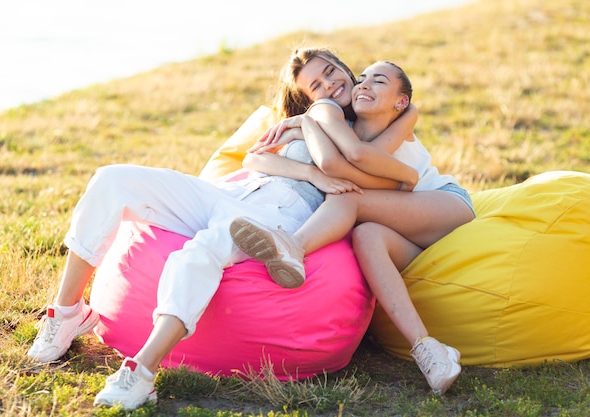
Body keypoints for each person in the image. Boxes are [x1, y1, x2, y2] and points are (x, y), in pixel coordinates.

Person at [26, 48, 418, 410]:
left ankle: (141, 372)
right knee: (112, 180)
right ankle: (67, 312)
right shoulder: (313, 117)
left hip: (282, 213)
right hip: (235, 190)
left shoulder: (370, 126)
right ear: (308, 97)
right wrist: (307, 162)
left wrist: (317, 142)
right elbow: (257, 159)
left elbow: (368, 164)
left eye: (332, 73)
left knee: (201, 252)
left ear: (351, 72)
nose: (330, 85)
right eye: (316, 85)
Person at [229, 61, 476, 395]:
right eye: (362, 79)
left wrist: (307, 123)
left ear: (399, 101)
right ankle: (429, 349)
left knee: (350, 200)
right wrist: (307, 123)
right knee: (365, 234)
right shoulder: (337, 125)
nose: (364, 85)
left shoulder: (398, 120)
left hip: (443, 205)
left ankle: (293, 247)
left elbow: (356, 158)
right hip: (406, 231)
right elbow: (258, 157)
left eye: (378, 80)